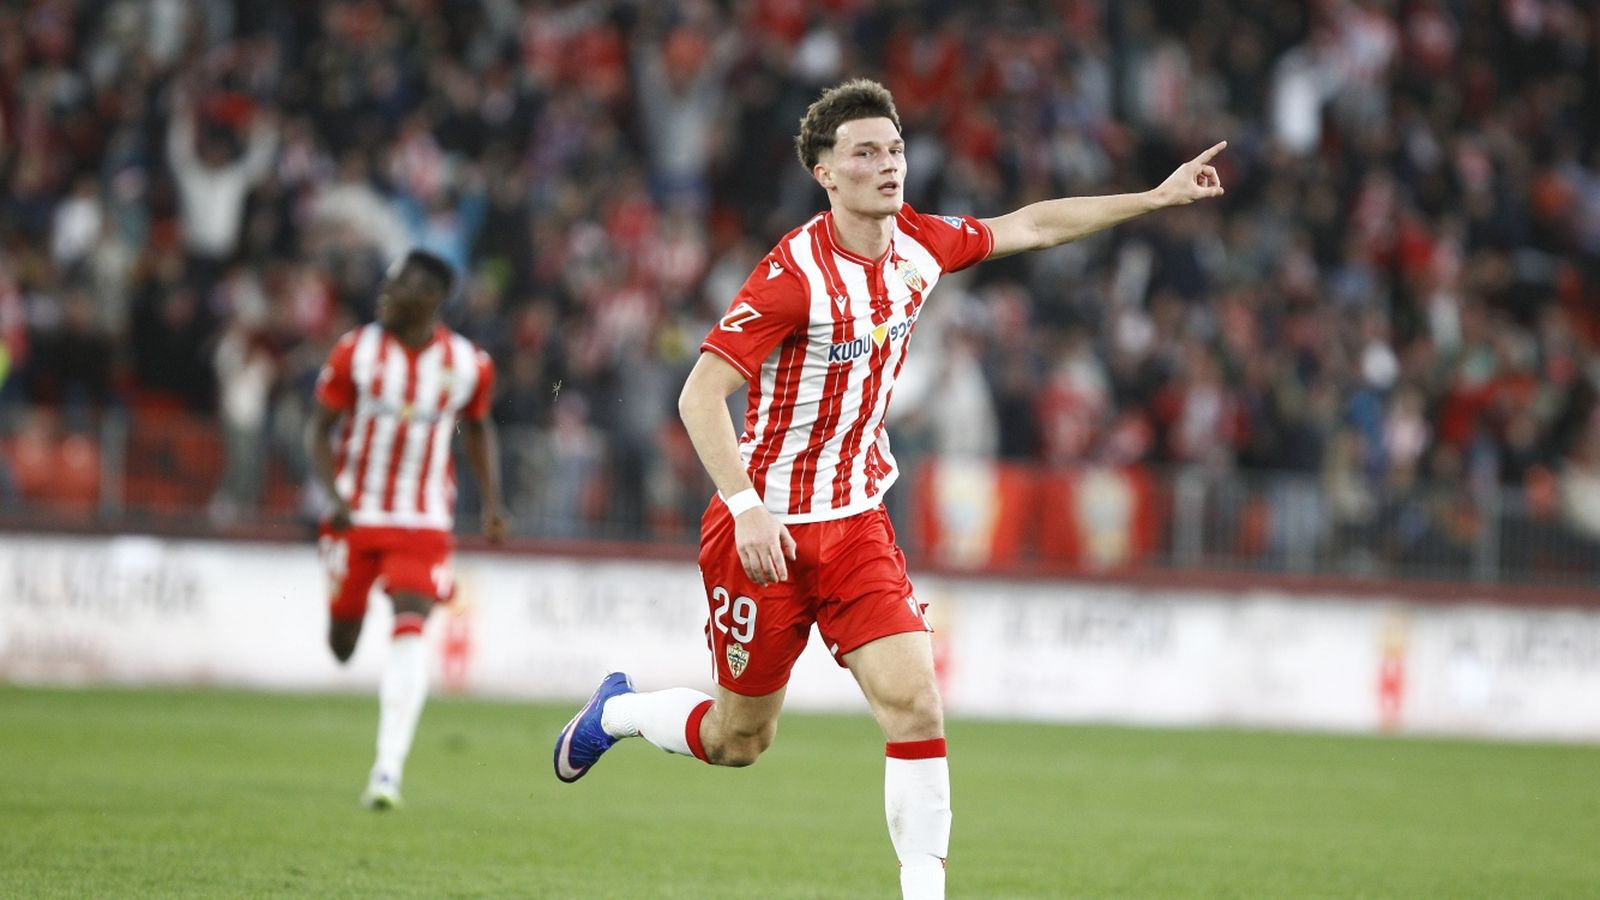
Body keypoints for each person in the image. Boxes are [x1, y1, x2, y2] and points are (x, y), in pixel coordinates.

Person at [552, 78, 1225, 898]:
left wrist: (1153, 199)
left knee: (916, 706)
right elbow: (698, 395)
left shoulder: (920, 243)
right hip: (761, 531)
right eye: (865, 153)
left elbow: (1035, 224)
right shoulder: (789, 277)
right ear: (825, 174)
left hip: (858, 523)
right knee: (739, 740)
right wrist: (747, 506)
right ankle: (615, 713)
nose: (888, 165)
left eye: (896, 149)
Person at [306, 248, 508, 810]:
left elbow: (478, 427)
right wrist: (333, 494)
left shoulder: (469, 364)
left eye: (395, 287)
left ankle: (387, 769)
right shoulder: (357, 351)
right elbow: (318, 429)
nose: (384, 295)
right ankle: (346, 617)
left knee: (411, 623)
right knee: (342, 644)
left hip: (422, 519)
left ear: (429, 299)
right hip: (355, 515)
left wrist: (492, 502)